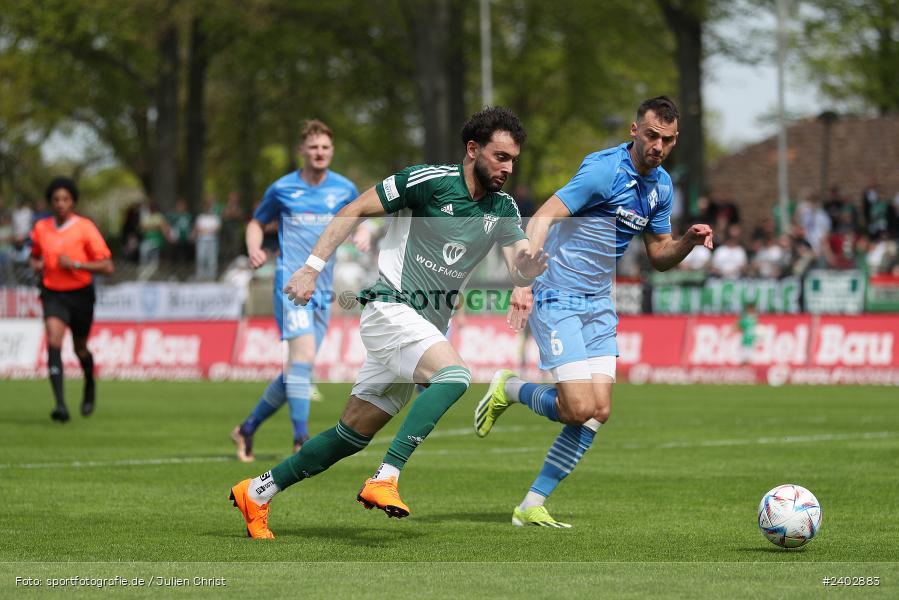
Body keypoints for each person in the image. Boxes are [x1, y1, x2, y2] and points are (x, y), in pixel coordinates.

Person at [229, 106, 547, 538]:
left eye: (513, 160)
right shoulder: (428, 181)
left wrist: (526, 275)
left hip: (423, 327)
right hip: (391, 308)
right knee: (455, 376)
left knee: (350, 435)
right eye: (500, 156)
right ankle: (386, 476)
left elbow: (518, 259)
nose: (508, 168)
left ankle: (257, 491)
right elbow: (355, 208)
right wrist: (311, 267)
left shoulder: (503, 207)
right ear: (473, 149)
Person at [474, 97, 713, 527]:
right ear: (635, 130)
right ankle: (510, 389)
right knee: (577, 407)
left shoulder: (662, 186)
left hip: (600, 303)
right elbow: (541, 218)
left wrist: (687, 243)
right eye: (652, 135)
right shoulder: (604, 171)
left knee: (598, 411)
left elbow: (659, 254)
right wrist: (524, 281)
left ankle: (530, 505)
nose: (658, 146)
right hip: (558, 295)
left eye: (668, 140)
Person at [230, 119, 360, 463]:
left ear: (332, 151)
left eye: (325, 147)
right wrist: (254, 248)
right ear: (302, 150)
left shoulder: (344, 188)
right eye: (313, 147)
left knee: (297, 371)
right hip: (289, 283)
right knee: (301, 360)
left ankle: (247, 429)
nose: (319, 152)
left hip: (322, 289)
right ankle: (301, 441)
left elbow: (359, 215)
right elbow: (257, 222)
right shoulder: (283, 188)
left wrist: (362, 233)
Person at [29, 177, 114, 422]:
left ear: (73, 201)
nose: (60, 203)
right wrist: (36, 264)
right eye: (56, 199)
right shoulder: (41, 228)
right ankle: (60, 405)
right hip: (53, 292)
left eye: (65, 199)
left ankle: (89, 382)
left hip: (80, 294)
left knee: (80, 348)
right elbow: (34, 256)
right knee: (53, 339)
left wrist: (76, 264)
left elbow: (108, 266)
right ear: (50, 202)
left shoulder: (85, 228)